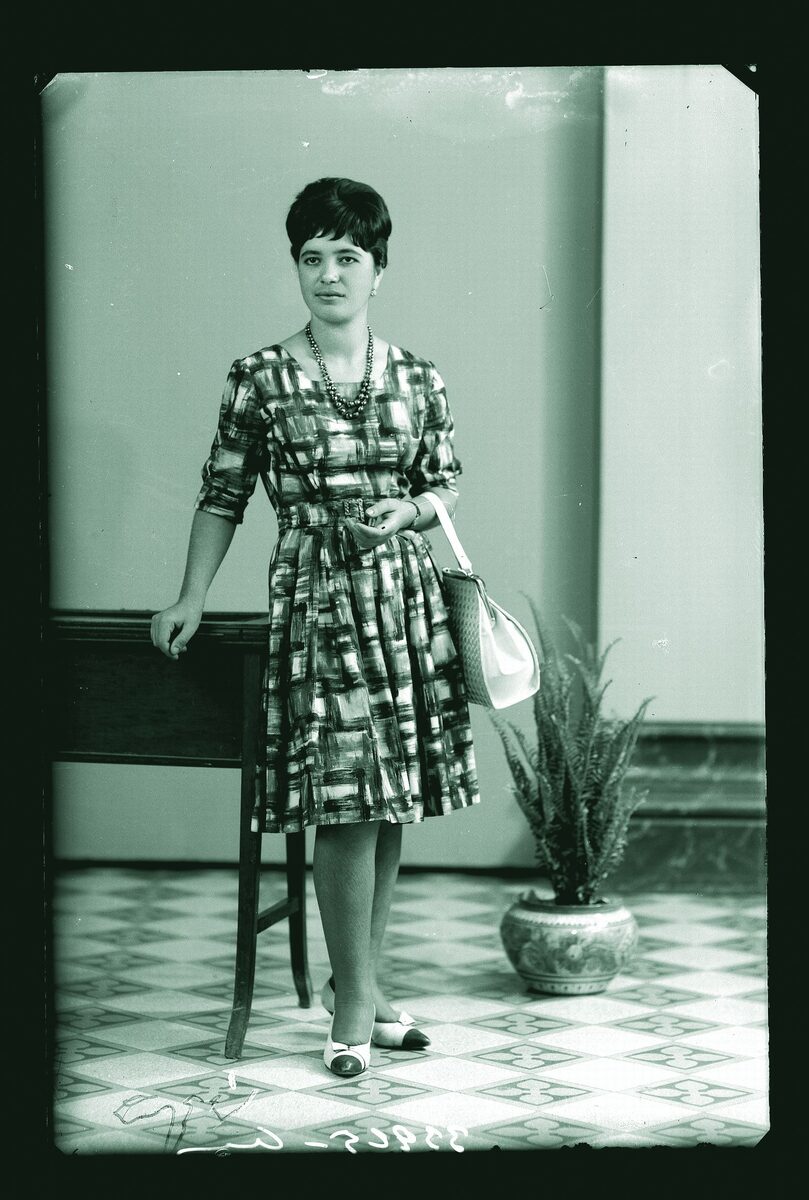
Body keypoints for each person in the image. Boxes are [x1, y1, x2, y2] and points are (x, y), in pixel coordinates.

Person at [151, 177, 480, 1078]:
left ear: (379, 268)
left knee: (389, 797)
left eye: (347, 257)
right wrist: (190, 596)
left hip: (402, 599)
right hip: (316, 599)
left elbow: (444, 483)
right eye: (311, 258)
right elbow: (221, 494)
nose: (329, 275)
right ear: (295, 266)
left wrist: (406, 513)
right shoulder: (257, 377)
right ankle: (357, 1004)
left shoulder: (417, 375)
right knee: (346, 798)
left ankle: (356, 986)